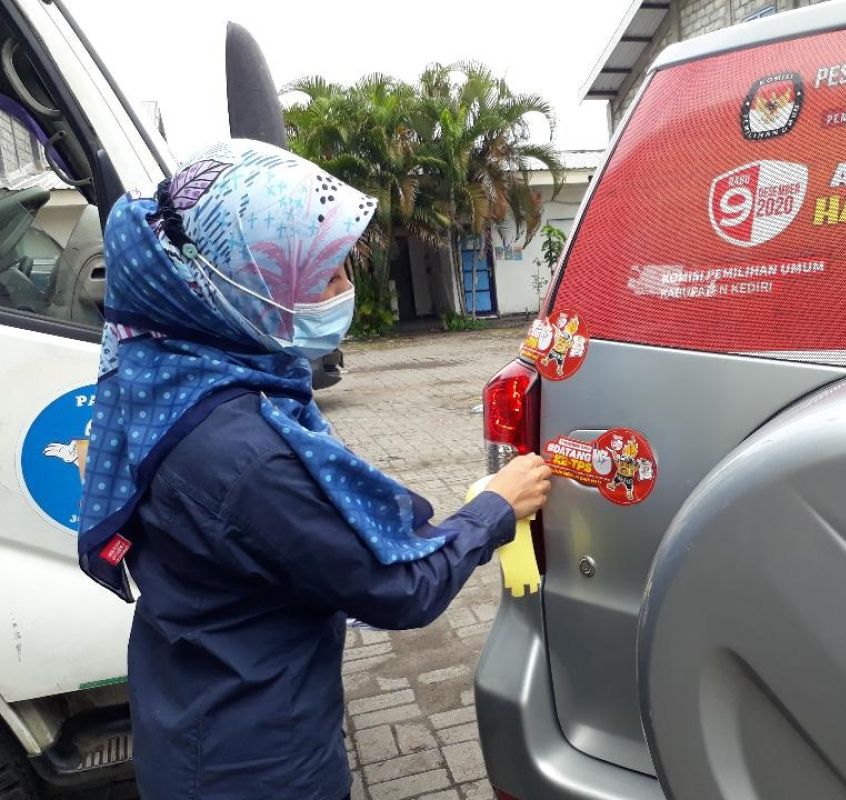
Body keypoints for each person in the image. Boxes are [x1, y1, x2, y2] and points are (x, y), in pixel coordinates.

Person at [75, 140, 551, 800]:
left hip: (189, 711)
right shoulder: (244, 453)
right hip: (256, 765)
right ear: (238, 279)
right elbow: (401, 586)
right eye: (318, 276)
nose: (343, 293)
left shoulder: (161, 370)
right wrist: (495, 507)